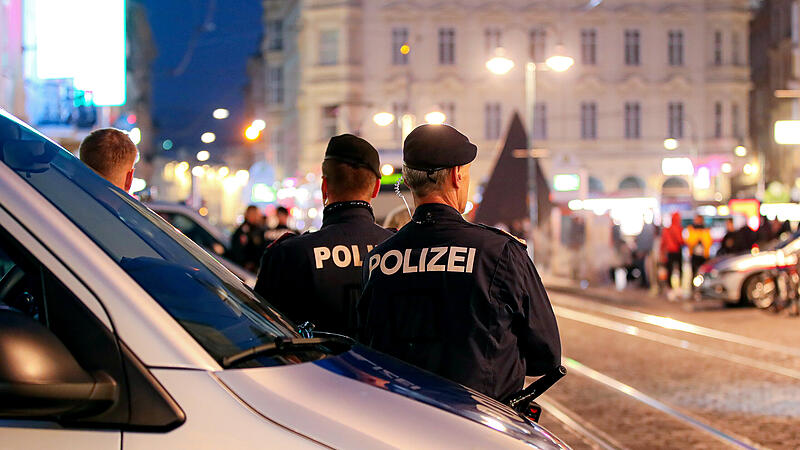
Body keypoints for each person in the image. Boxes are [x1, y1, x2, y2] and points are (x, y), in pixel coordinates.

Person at [358, 124, 561, 401]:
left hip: (402, 424)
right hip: (481, 424)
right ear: (456, 175)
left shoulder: (378, 260)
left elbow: (367, 349)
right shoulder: (500, 251)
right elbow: (546, 355)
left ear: (408, 179)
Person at [254, 134, 393, 337]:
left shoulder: (289, 254)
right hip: (389, 369)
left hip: (313, 367)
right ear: (376, 189)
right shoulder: (398, 249)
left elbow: (261, 331)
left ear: (324, 187)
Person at [230, 205, 266, 273]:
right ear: (247, 214)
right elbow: (238, 250)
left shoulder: (259, 229)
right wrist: (246, 263)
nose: (257, 217)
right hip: (244, 269)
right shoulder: (242, 231)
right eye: (254, 214)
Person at [660, 212, 684, 284]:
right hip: (677, 251)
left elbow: (663, 242)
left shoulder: (667, 230)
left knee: (669, 270)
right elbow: (681, 240)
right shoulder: (679, 228)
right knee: (679, 269)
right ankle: (680, 285)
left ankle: (669, 287)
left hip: (670, 252)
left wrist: (662, 253)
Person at [686, 214, 712, 278]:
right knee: (693, 273)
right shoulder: (691, 229)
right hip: (694, 255)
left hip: (704, 256)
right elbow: (690, 241)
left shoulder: (706, 230)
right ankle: (693, 287)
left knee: (704, 273)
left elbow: (708, 242)